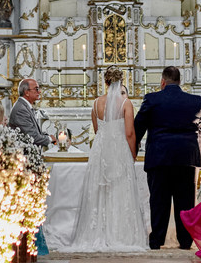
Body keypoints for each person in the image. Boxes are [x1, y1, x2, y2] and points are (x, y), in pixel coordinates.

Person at [63, 67, 149, 252]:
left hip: (101, 151)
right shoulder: (126, 103)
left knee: (99, 190)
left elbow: (97, 131)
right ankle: (119, 233)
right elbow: (129, 132)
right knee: (120, 190)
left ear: (106, 82)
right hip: (119, 149)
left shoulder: (95, 103)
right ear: (120, 82)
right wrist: (132, 154)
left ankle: (97, 232)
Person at [134, 66, 201, 250]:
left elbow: (138, 127)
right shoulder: (195, 101)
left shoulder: (152, 99)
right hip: (186, 158)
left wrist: (132, 150)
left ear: (163, 82)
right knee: (185, 202)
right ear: (180, 82)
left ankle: (157, 240)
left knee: (159, 201)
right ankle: (185, 240)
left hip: (159, 157)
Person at [9, 77, 53, 148]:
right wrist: (50, 139)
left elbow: (34, 132)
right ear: (27, 92)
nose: (39, 92)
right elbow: (32, 137)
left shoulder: (24, 106)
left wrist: (47, 136)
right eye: (36, 89)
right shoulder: (21, 110)